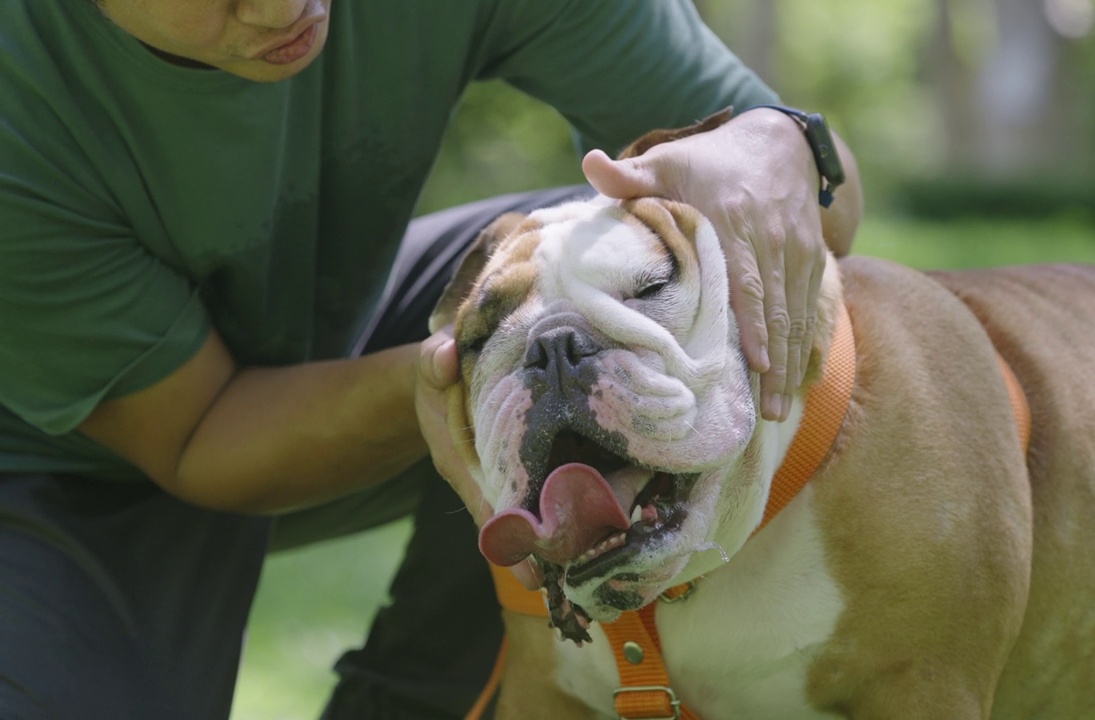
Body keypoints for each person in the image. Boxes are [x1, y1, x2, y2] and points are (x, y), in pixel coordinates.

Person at [0, 0, 861, 717]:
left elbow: (826, 207)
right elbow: (195, 437)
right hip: (58, 455)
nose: (279, 5)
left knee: (562, 272)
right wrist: (460, 373)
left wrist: (770, 146)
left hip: (311, 334)